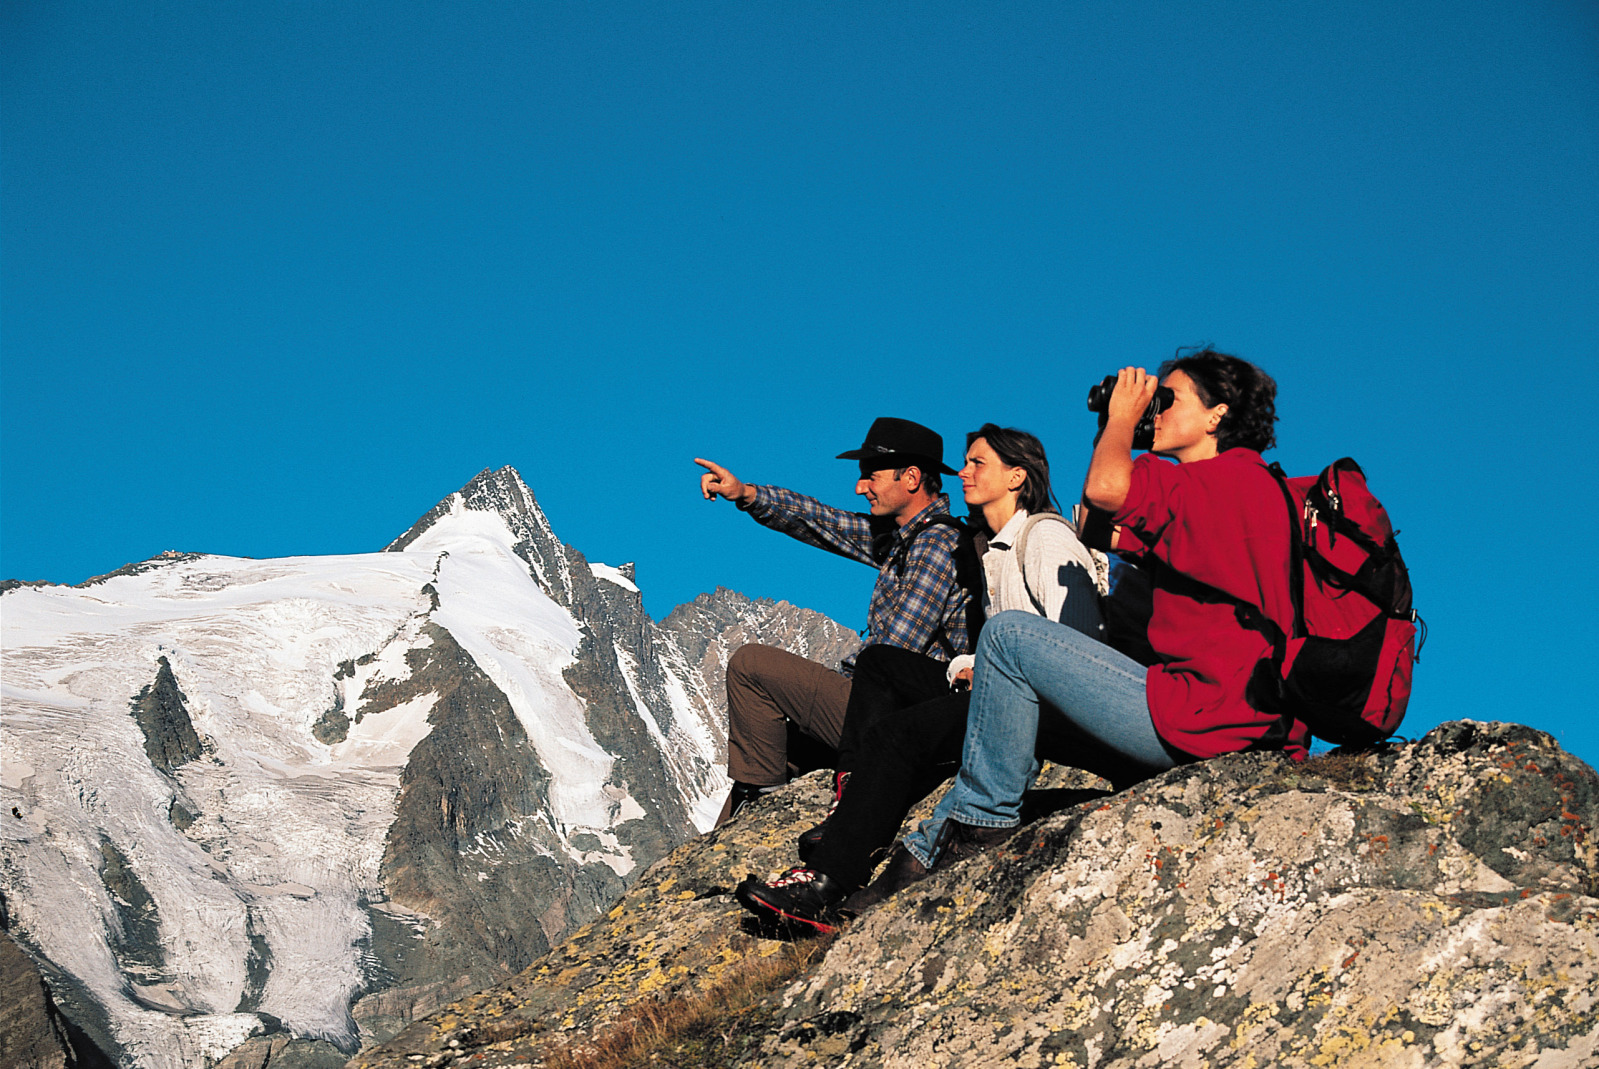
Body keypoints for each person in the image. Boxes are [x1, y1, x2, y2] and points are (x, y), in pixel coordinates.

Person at [893, 349, 1309, 888]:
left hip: (1201, 717)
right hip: (1245, 720)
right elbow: (1095, 528)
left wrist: (1122, 419)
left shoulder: (1207, 481)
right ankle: (933, 845)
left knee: (1008, 636)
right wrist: (1109, 431)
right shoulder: (1251, 488)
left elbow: (1104, 491)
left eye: (1169, 399)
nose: (1156, 409)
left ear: (1217, 415)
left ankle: (976, 826)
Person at [734, 424, 1109, 932]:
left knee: (878, 703)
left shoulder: (1034, 537)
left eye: (976, 463)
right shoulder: (987, 550)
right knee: (879, 666)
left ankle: (832, 866)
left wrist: (996, 676)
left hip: (1035, 706)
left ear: (1016, 476)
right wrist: (749, 494)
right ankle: (833, 822)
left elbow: (1076, 648)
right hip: (997, 691)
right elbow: (826, 523)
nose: (963, 473)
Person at [696, 417, 977, 826]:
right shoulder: (904, 538)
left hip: (894, 712)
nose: (860, 487)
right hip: (886, 707)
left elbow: (893, 655)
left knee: (750, 665)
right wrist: (748, 494)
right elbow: (823, 521)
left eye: (871, 476)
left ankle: (756, 818)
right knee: (772, 755)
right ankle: (732, 836)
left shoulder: (935, 545)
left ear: (912, 478)